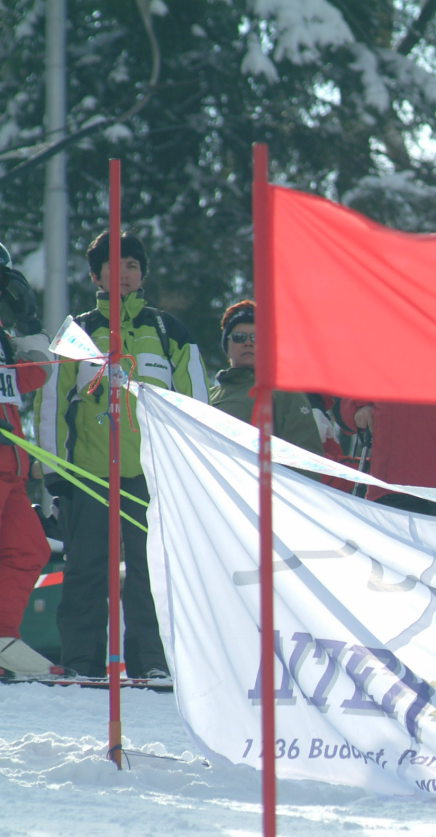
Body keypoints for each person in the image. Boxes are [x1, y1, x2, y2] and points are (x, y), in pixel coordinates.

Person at [39, 230, 209, 680]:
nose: (125, 274)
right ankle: (82, 662)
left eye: (133, 266)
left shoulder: (169, 331)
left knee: (150, 574)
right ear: (97, 275)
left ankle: (152, 661)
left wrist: (191, 477)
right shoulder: (77, 332)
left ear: (142, 274)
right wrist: (57, 480)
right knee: (86, 573)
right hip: (89, 476)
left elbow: (197, 407)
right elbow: (52, 407)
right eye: (115, 266)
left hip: (153, 479)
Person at [0, 242, 57, 677]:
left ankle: (2, 639)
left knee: (28, 549)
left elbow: (38, 372)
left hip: (13, 468)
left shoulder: (5, 339)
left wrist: (28, 322)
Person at [208, 300, 325, 456]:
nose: (248, 343)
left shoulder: (284, 393)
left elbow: (305, 456)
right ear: (227, 345)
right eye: (239, 337)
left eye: (256, 337)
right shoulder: (208, 396)